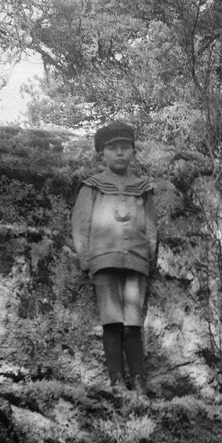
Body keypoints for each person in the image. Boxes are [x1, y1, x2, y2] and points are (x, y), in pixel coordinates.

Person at [71, 121, 158, 396]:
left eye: (125, 148)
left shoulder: (143, 189)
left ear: (133, 152)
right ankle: (116, 381)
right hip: (103, 262)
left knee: (133, 324)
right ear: (102, 154)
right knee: (112, 322)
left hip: (136, 262)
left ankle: (140, 382)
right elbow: (80, 225)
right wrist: (87, 260)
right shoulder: (92, 186)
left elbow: (152, 228)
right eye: (113, 149)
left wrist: (149, 260)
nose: (120, 153)